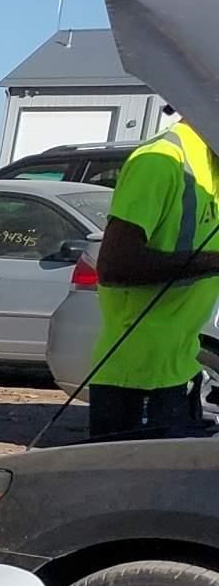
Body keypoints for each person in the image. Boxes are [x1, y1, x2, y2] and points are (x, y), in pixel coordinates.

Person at [88, 109, 219, 441]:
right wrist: (212, 261)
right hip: (136, 378)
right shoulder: (160, 160)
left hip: (180, 368)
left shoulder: (211, 166)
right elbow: (116, 265)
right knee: (129, 490)